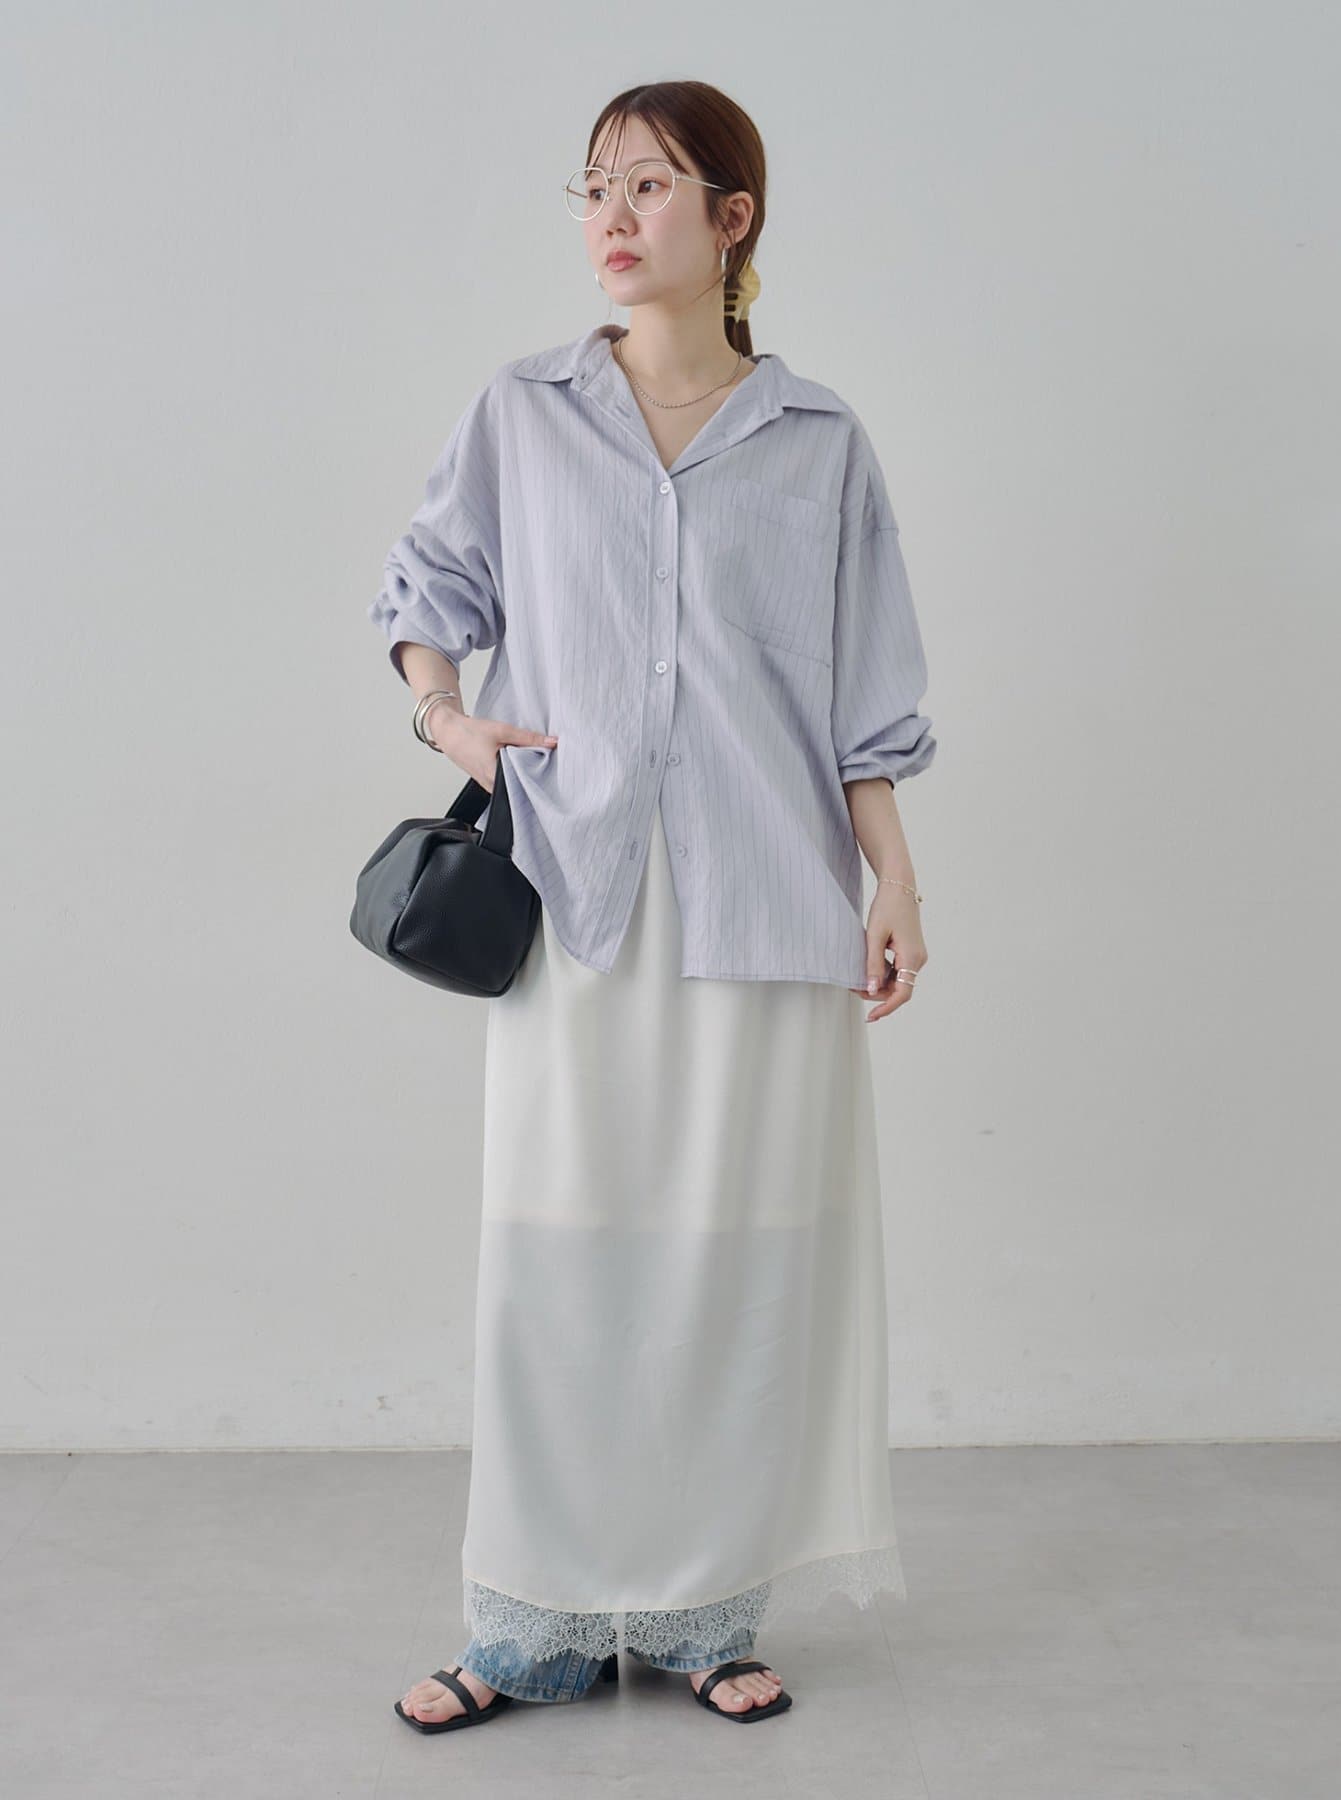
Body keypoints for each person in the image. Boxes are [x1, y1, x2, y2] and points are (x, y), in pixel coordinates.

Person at [372, 80, 937, 1732]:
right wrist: (449, 719)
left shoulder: (819, 442)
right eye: (596, 185)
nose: (613, 216)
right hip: (579, 891)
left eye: (652, 184)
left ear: (731, 219)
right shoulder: (524, 412)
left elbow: (865, 700)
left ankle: (703, 1609)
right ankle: (530, 1621)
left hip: (769, 902)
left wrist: (897, 881)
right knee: (558, 1254)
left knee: (733, 1260)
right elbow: (425, 591)